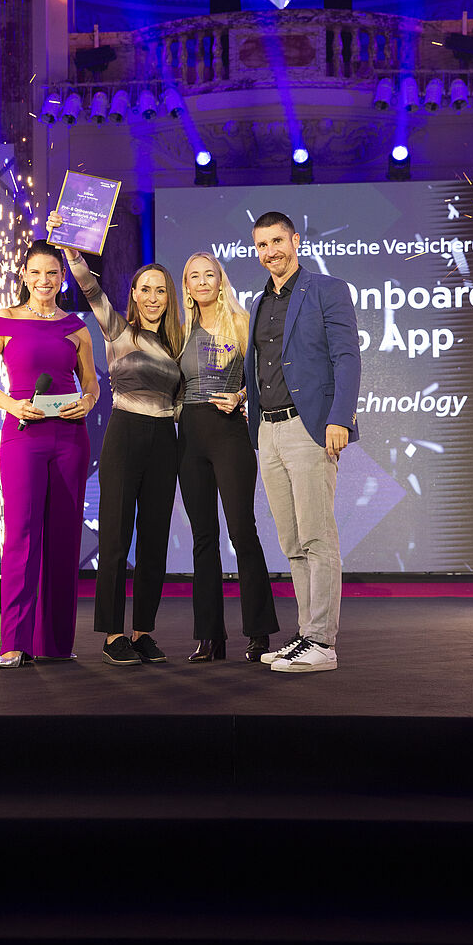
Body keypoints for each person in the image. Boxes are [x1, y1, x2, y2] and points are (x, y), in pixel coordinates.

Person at [46, 211, 183, 666]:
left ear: (169, 297)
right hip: (125, 435)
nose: (151, 297)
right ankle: (111, 635)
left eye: (160, 290)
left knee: (154, 538)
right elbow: (87, 285)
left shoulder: (178, 343)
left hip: (166, 439)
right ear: (134, 295)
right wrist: (69, 245)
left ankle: (144, 631)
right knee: (116, 538)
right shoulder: (118, 330)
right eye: (144, 289)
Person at [0, 239, 100, 668]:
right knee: (22, 535)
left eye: (53, 273)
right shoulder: (2, 321)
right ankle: (14, 642)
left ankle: (57, 642)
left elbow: (92, 383)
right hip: (23, 432)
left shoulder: (75, 326)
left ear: (63, 279)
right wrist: (10, 404)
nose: (45, 281)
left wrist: (89, 401)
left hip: (70, 437)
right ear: (24, 274)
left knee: (64, 538)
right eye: (37, 272)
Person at [244, 212, 361, 674]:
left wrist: (340, 419)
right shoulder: (258, 303)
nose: (271, 251)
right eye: (261, 245)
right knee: (292, 541)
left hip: (309, 428)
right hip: (268, 431)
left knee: (317, 536)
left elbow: (347, 359)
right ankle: (305, 635)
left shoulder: (328, 290)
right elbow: (267, 366)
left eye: (277, 241)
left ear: (295, 240)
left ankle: (322, 642)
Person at [178, 251, 279, 661]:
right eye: (193, 276)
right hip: (189, 435)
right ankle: (210, 637)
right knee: (203, 538)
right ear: (185, 285)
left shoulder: (241, 321)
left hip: (230, 434)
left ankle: (258, 632)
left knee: (242, 531)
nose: (202, 282)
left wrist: (239, 396)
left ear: (221, 280)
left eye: (209, 275)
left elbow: (261, 378)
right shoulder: (178, 330)